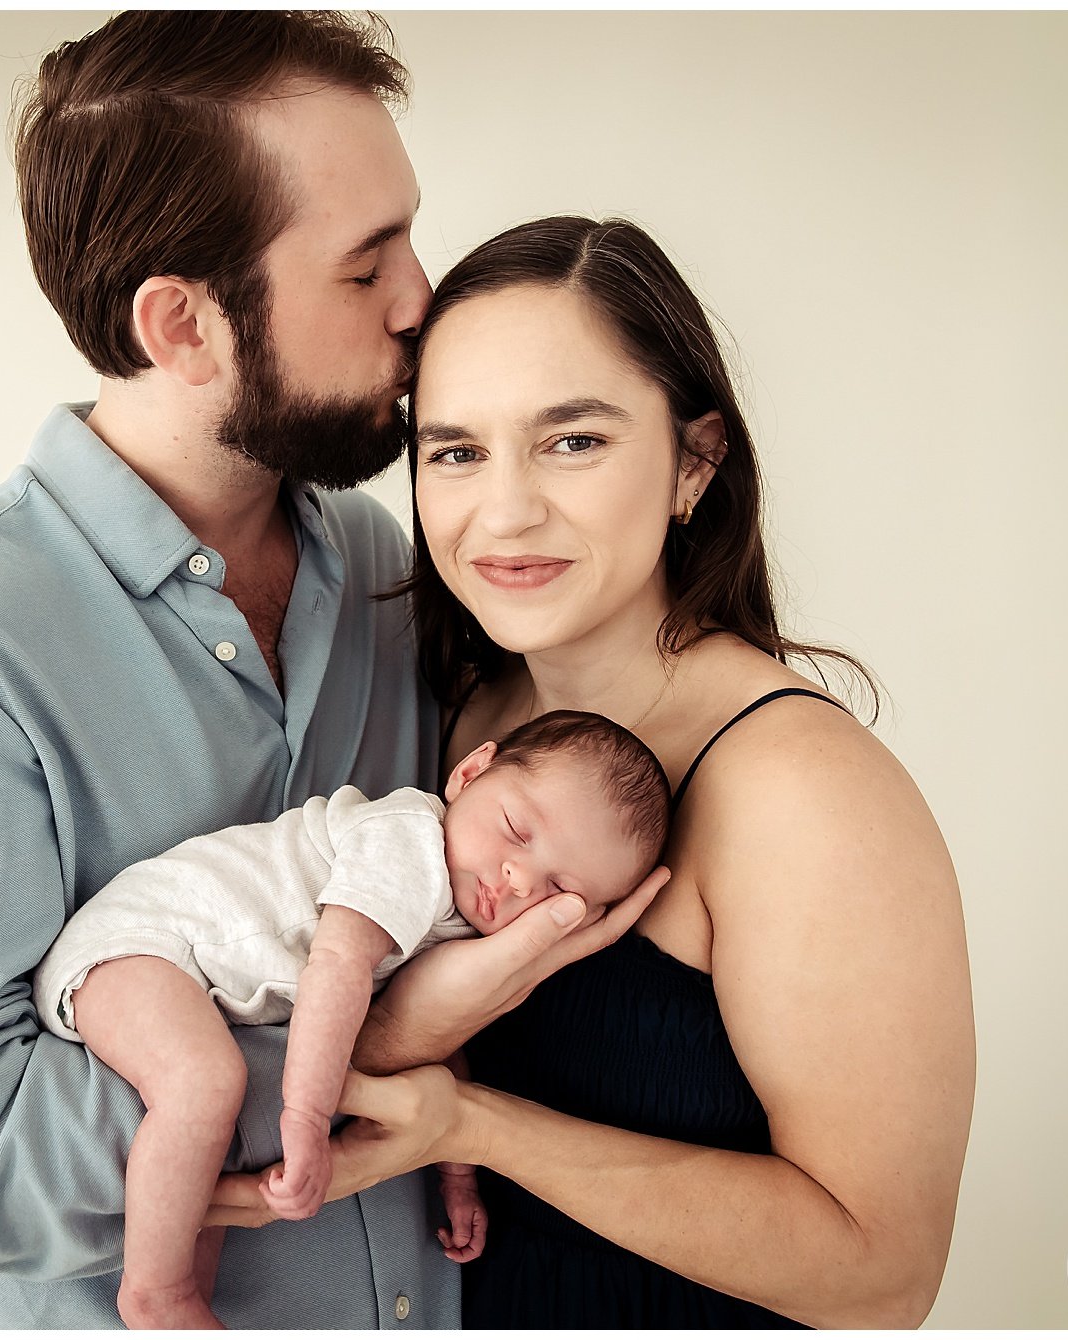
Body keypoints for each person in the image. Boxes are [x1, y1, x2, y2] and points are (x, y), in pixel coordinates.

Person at [0, 14, 650, 1330]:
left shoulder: (393, 572)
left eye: (409, 235)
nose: (422, 299)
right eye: (365, 270)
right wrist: (369, 1039)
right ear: (183, 325)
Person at [211, 216, 977, 1328]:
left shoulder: (801, 792)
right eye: (456, 450)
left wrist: (472, 1130)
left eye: (572, 441)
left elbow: (881, 1275)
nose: (505, 510)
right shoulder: (455, 709)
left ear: (694, 461)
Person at [34, 710, 671, 1327]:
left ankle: (179, 1303)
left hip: (189, 980)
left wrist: (455, 1175)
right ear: (472, 773)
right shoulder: (409, 838)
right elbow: (338, 964)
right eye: (515, 829)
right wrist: (306, 1122)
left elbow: (437, 1040)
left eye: (560, 890)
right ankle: (152, 1294)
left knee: (207, 1194)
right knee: (203, 1084)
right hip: (140, 945)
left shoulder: (456, 919)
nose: (519, 878)